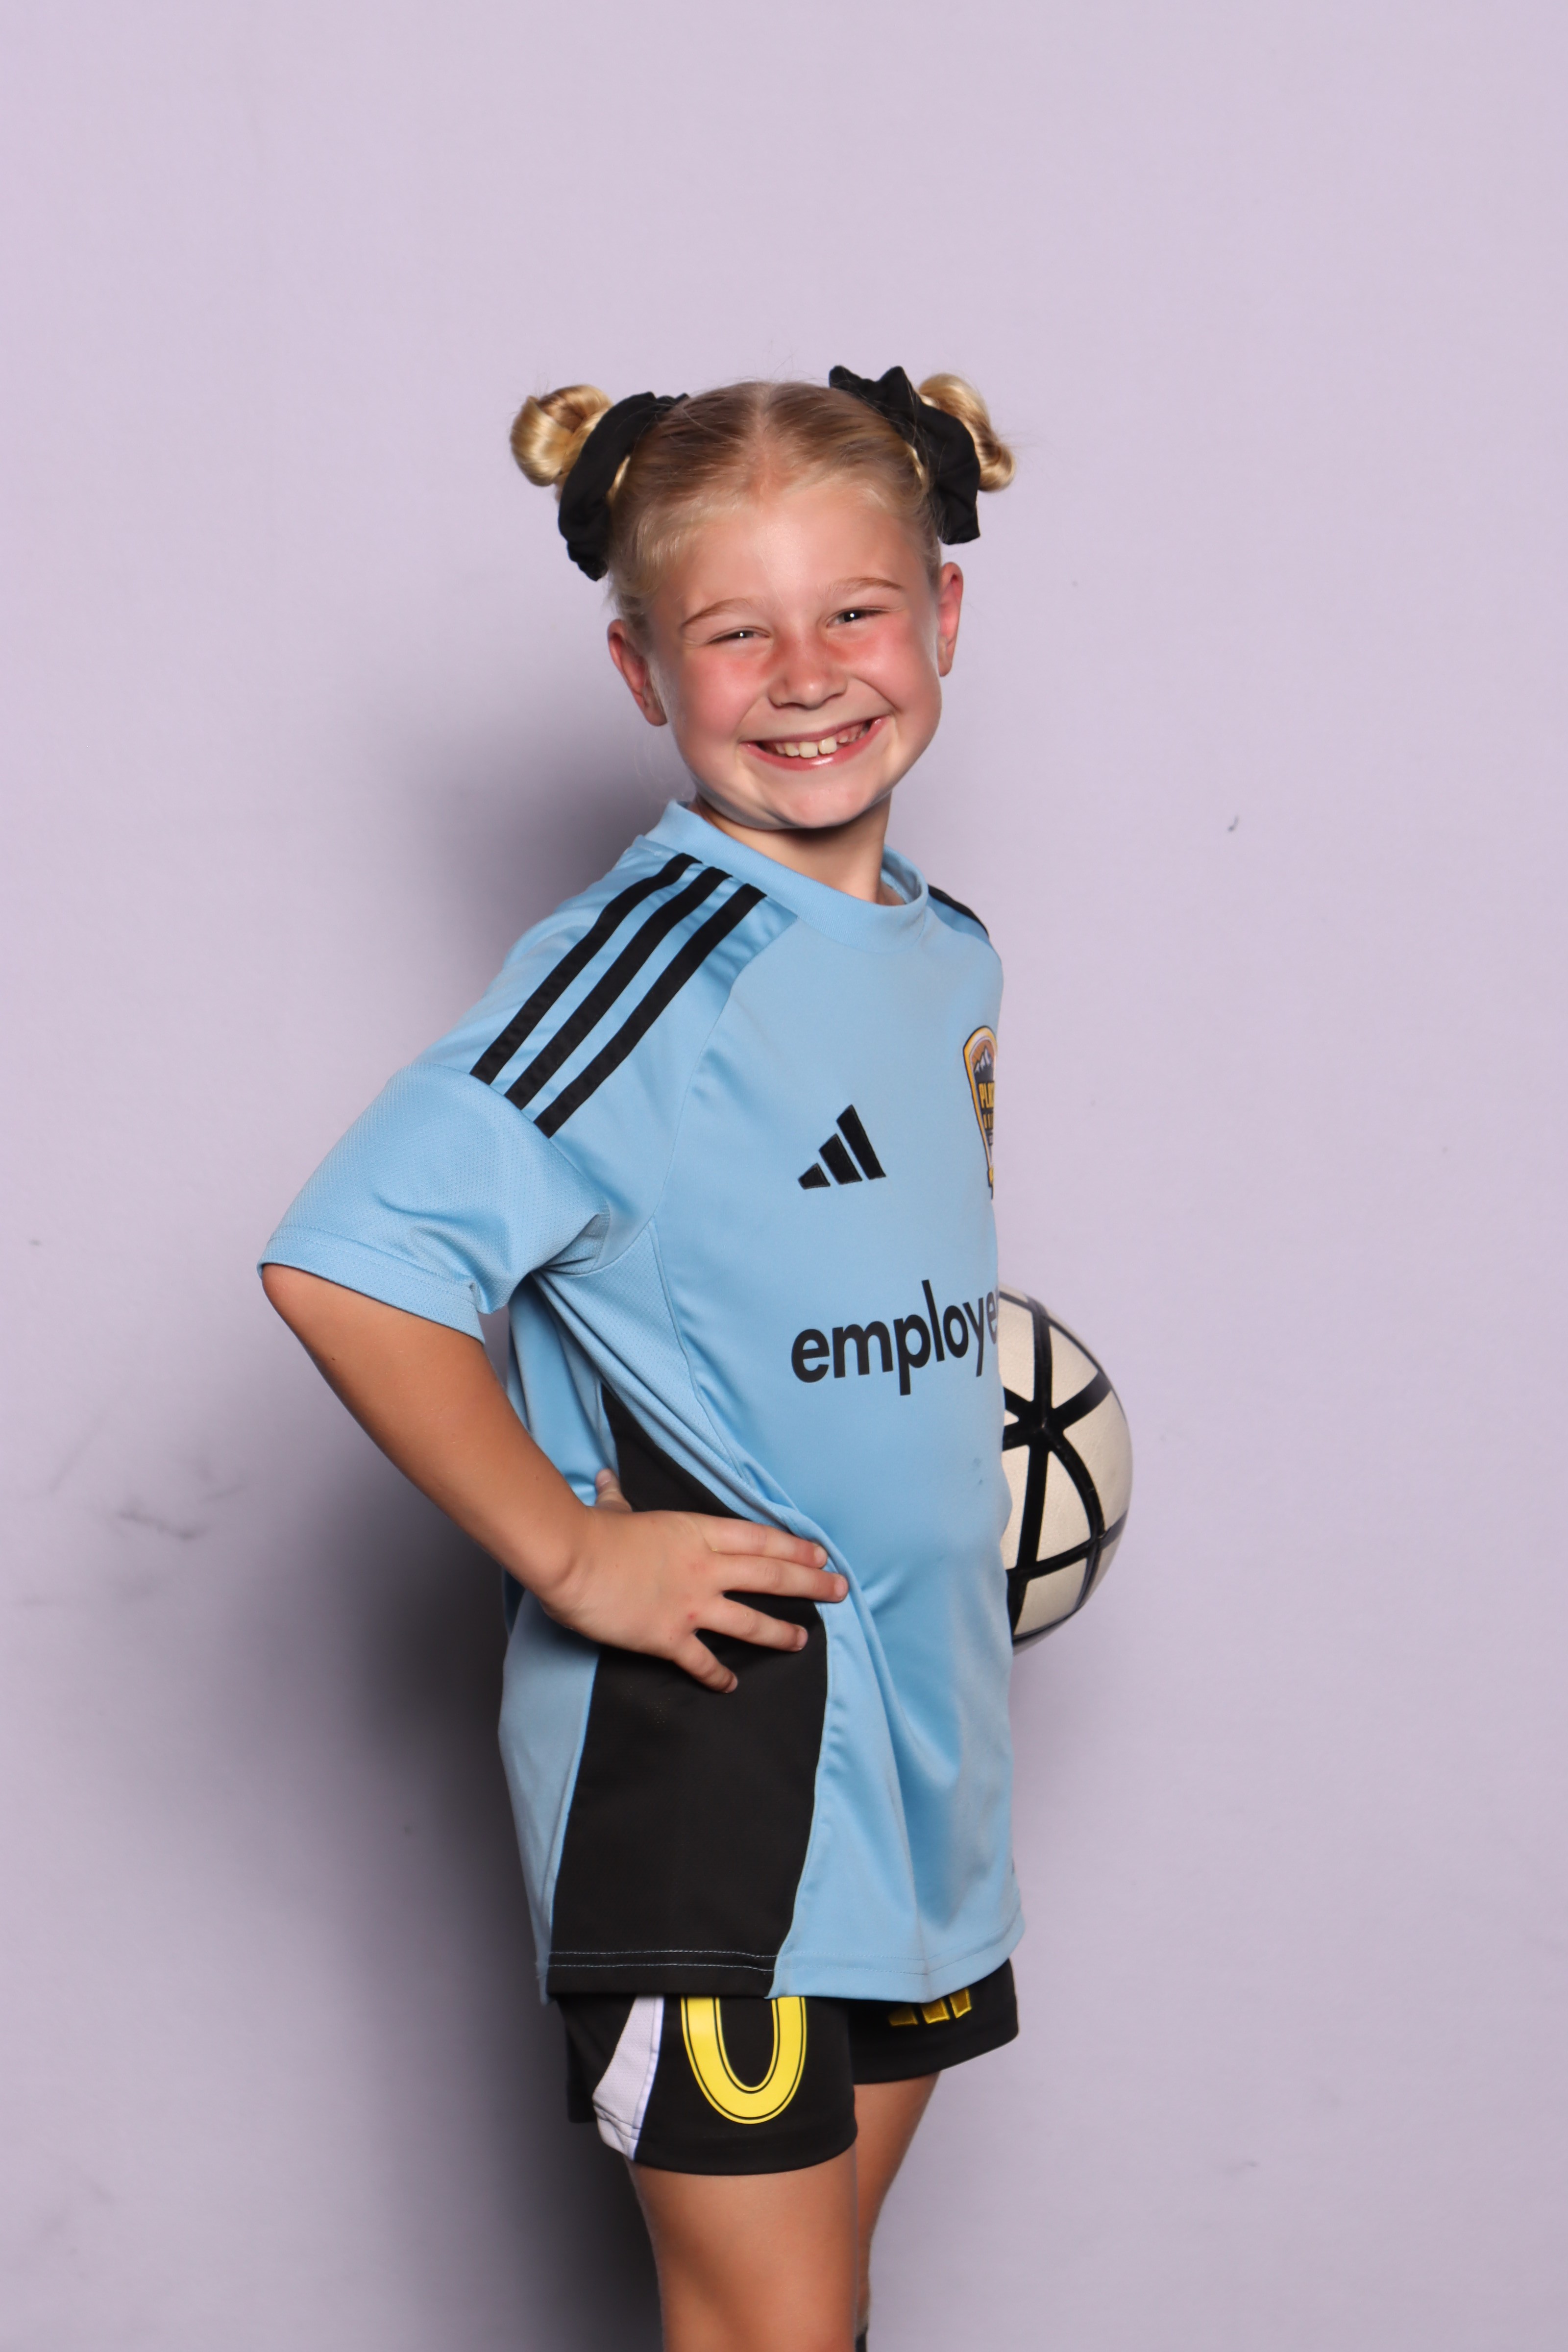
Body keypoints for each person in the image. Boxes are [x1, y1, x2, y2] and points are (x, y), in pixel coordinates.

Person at [261, 365, 1019, 2352]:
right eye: (734, 632)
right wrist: (576, 1549)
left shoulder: (946, 949)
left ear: (943, 616)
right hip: (719, 1759)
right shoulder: (652, 959)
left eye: (855, 611)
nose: (808, 675)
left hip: (923, 1735)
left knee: (810, 2317)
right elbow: (350, 1265)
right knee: (767, 2327)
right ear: (639, 669)